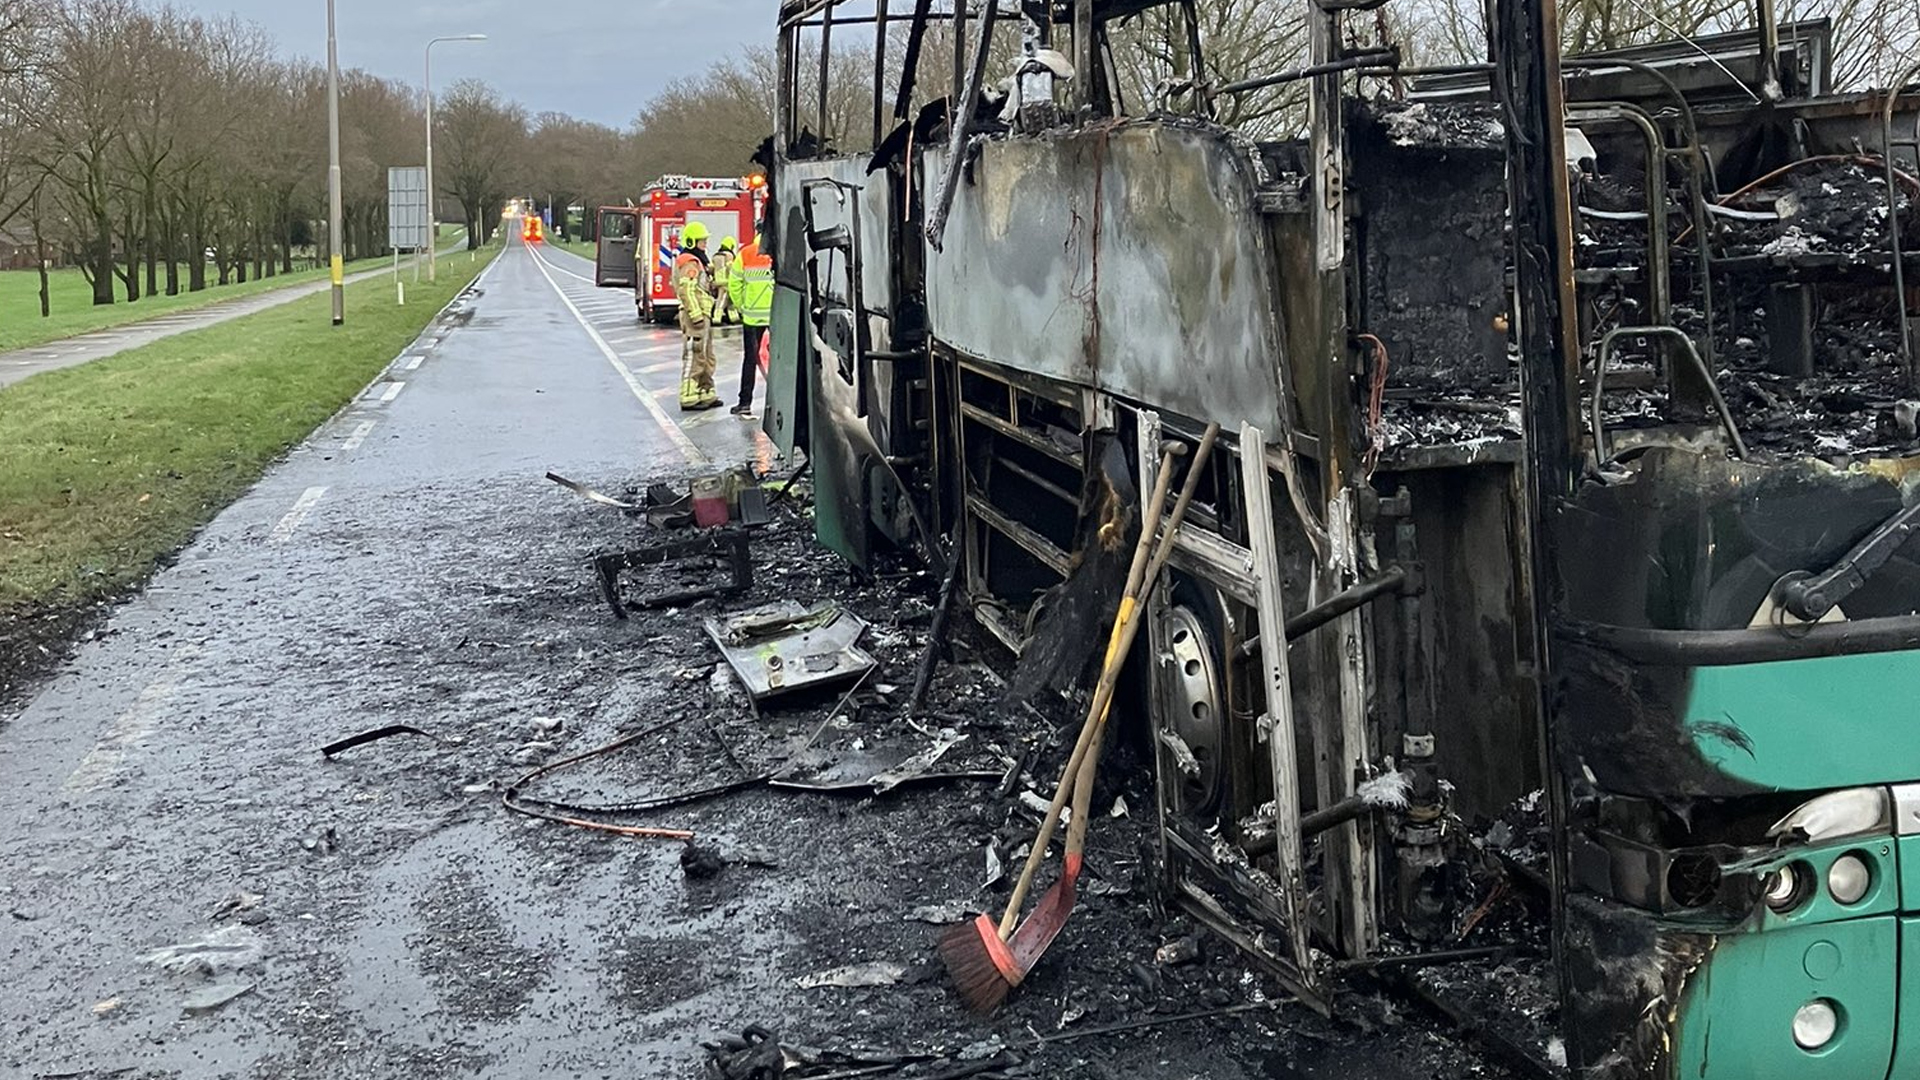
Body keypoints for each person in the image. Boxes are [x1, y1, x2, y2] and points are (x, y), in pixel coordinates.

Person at [673, 222, 722, 411]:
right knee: (694, 355)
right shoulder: (689, 262)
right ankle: (688, 395)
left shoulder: (697, 261)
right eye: (702, 241)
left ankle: (705, 392)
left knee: (706, 356)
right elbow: (687, 290)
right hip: (696, 316)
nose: (705, 244)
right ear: (692, 241)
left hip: (703, 314)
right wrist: (695, 315)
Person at [726, 231, 775, 418]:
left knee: (750, 361)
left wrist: (742, 306)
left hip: (752, 318)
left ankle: (745, 403)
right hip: (776, 316)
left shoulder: (746, 253)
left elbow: (734, 285)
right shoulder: (777, 253)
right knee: (782, 360)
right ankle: (781, 405)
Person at [710, 235, 738, 325]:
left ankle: (734, 318)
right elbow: (731, 268)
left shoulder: (715, 256)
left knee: (730, 301)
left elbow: (711, 269)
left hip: (718, 281)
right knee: (722, 300)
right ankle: (717, 318)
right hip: (726, 281)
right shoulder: (729, 255)